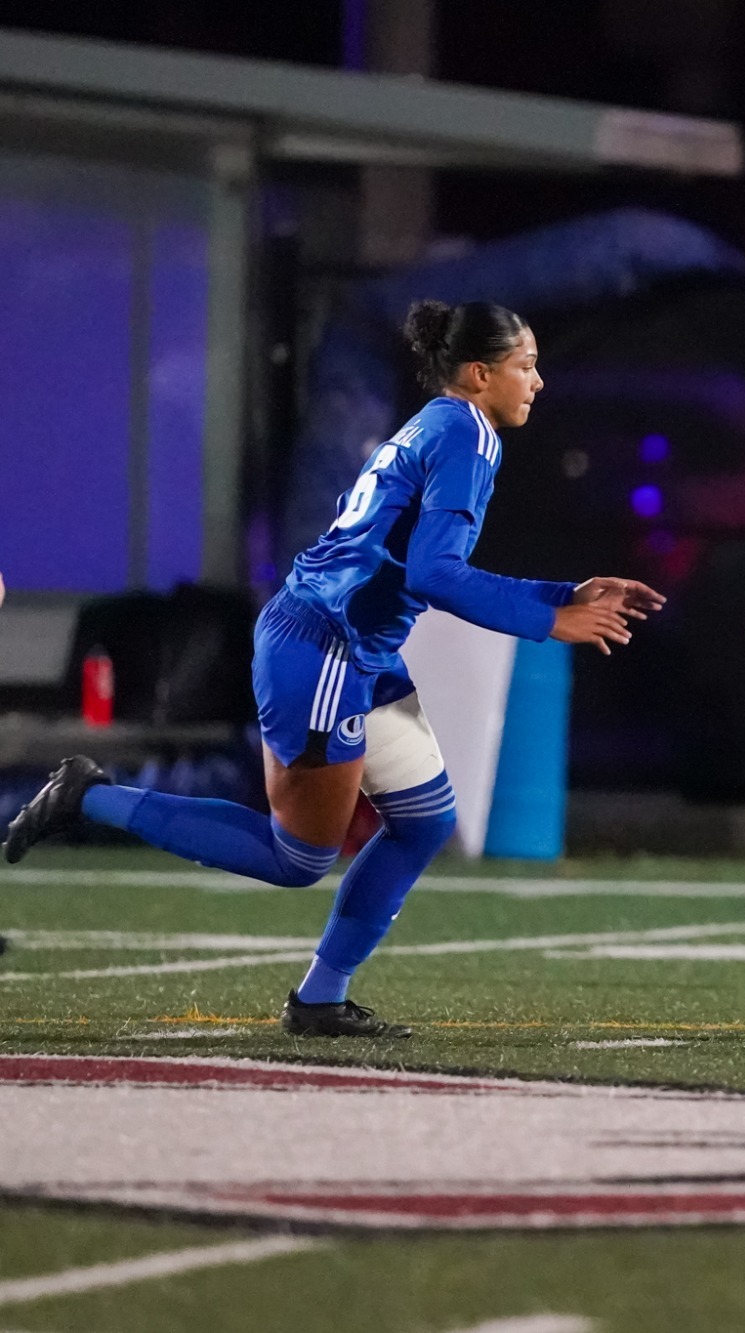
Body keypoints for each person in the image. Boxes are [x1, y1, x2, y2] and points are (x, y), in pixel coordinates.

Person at [3, 300, 661, 1035]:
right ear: (480, 374)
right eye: (525, 365)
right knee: (299, 856)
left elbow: (416, 567)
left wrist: (560, 594)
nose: (538, 381)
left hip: (355, 644)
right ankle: (88, 795)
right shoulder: (466, 434)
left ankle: (320, 997)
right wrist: (550, 618)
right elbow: (437, 573)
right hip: (323, 646)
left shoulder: (448, 425)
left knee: (423, 820)